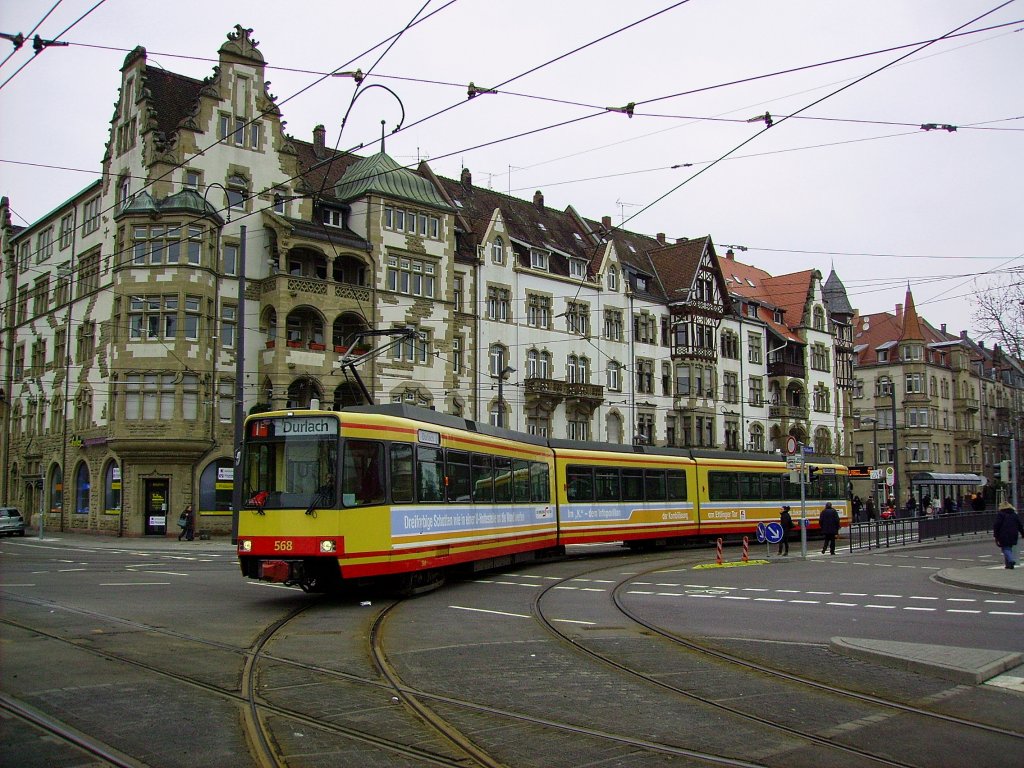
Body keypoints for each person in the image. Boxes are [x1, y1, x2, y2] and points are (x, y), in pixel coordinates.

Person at [993, 502, 1024, 569]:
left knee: (1005, 548)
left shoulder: (1001, 514)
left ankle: (1011, 560)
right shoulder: (1014, 514)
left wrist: (996, 535)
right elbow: (1020, 525)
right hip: (1013, 533)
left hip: (1003, 534)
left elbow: (996, 525)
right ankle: (1009, 565)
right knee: (1009, 548)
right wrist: (1022, 533)